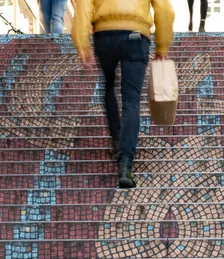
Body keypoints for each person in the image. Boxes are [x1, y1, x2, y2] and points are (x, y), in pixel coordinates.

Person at [72, 0, 174, 189]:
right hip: (136, 36)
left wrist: (82, 44)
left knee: (109, 84)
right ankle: (125, 165)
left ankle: (117, 139)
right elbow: (165, 9)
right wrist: (162, 46)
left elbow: (84, 6)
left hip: (104, 36)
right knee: (131, 99)